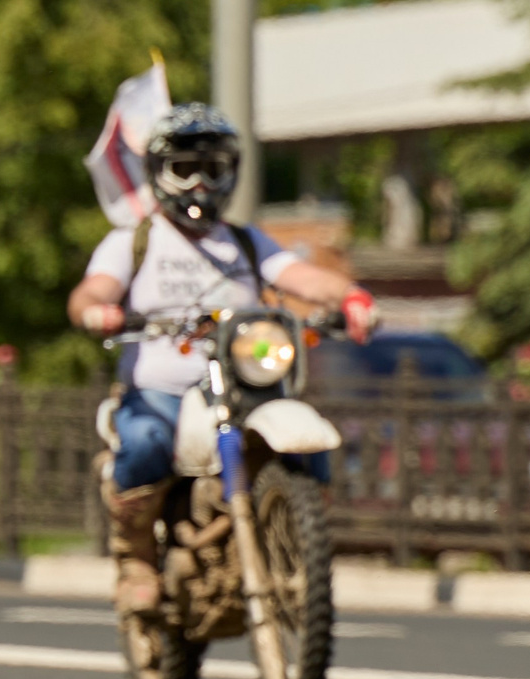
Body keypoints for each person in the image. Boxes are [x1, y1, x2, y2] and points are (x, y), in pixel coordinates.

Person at [67, 103, 376, 614]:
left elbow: (303, 278)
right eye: (184, 169)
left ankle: (296, 539)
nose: (199, 184)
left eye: (212, 169)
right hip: (160, 391)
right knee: (144, 442)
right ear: (159, 174)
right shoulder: (134, 241)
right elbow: (92, 291)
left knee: (307, 442)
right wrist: (96, 311)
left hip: (242, 386)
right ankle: (137, 559)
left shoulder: (245, 242)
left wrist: (351, 298)